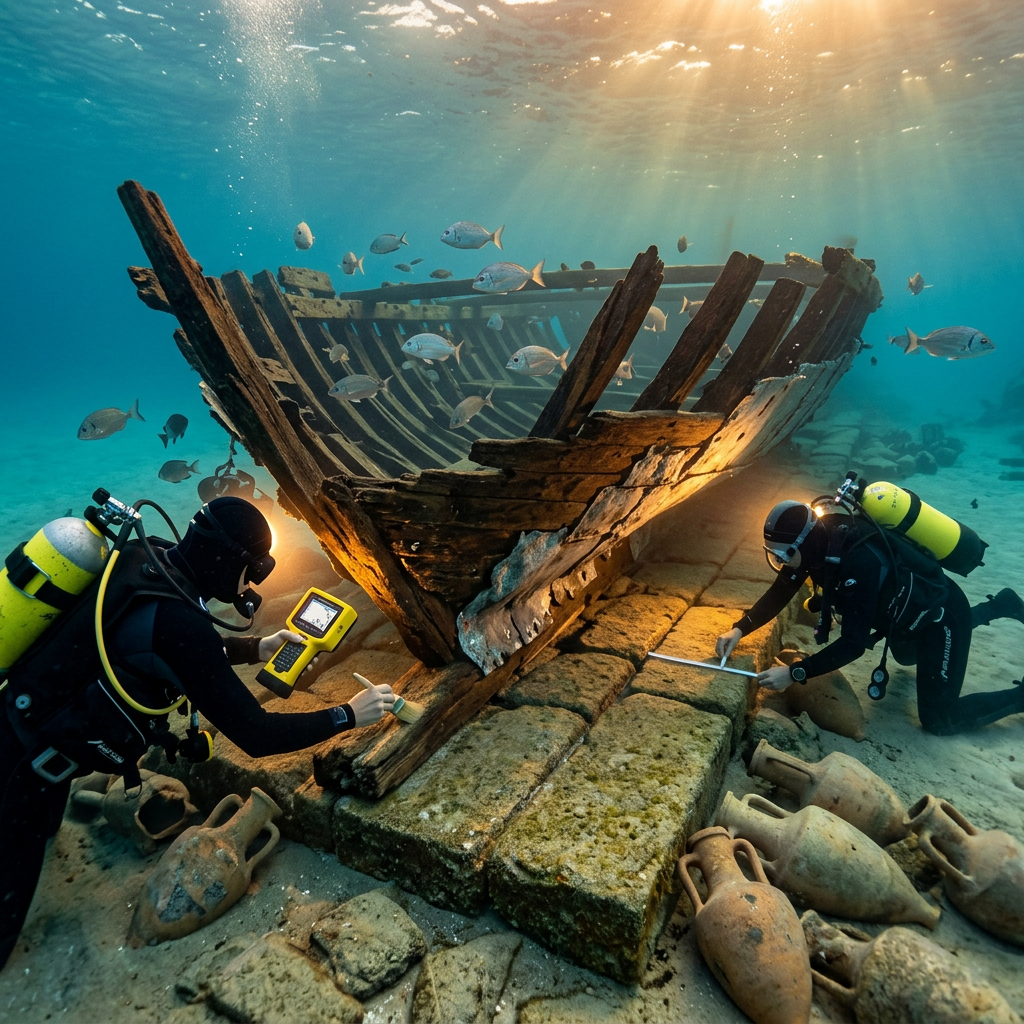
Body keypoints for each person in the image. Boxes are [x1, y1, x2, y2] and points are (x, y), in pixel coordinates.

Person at [0, 497, 393, 968]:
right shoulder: (182, 620)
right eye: (253, 570)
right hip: (24, 761)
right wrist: (349, 714)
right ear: (230, 560)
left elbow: (165, 647)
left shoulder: (154, 558)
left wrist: (255, 647)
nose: (250, 584)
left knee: (41, 831)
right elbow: (257, 734)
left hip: (25, 718)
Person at [715, 498, 1024, 736]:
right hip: (905, 622)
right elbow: (781, 590)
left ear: (803, 543)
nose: (779, 561)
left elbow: (853, 644)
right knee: (905, 656)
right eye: (773, 553)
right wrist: (740, 629)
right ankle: (999, 606)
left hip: (941, 617)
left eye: (782, 554)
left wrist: (796, 673)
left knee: (939, 720)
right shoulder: (815, 545)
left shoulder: (857, 564)